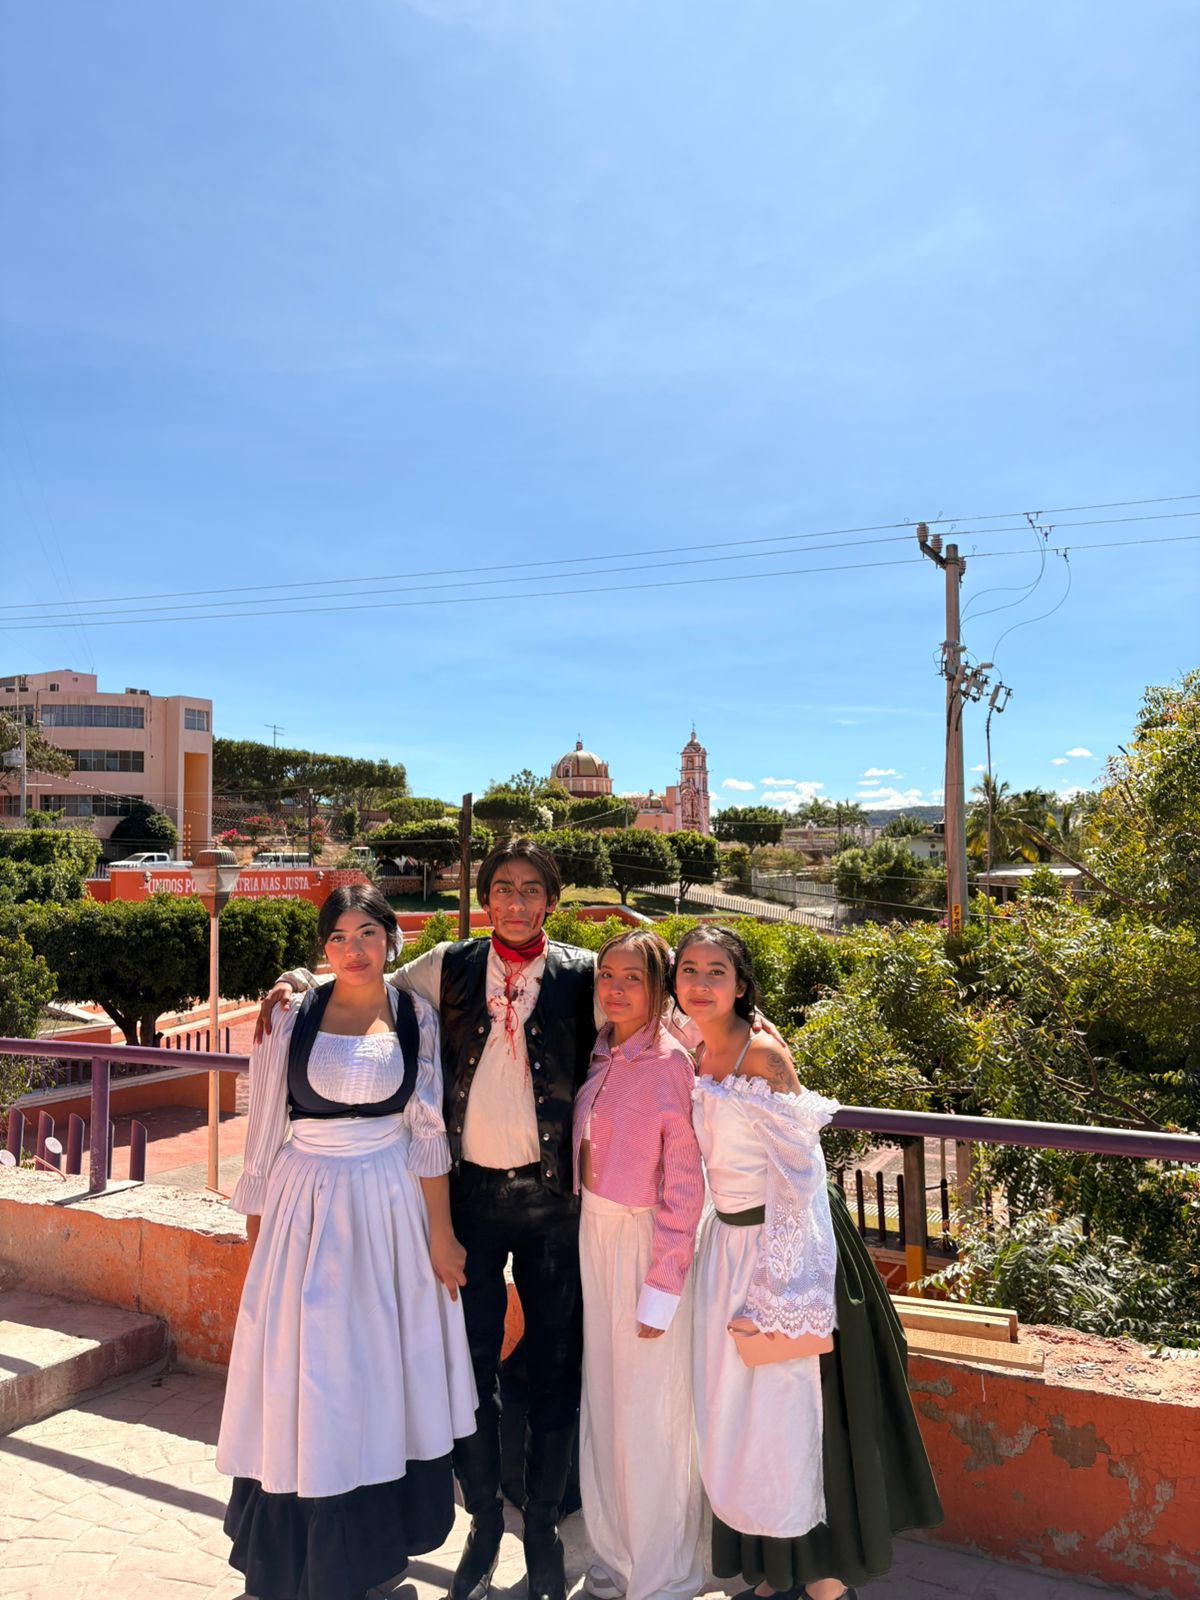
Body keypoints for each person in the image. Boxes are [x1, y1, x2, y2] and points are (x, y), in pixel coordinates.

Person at [257, 839, 595, 1600]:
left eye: (530, 889)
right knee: (466, 1371)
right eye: (502, 888)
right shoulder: (445, 965)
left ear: (551, 899)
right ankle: (484, 1524)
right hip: (466, 1205)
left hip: (552, 1207)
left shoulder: (583, 974)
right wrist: (297, 979)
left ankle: (542, 1529)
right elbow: (359, 976)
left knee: (555, 1368)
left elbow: (657, 1019)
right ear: (484, 897)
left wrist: (752, 1035)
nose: (515, 902)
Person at [217, 883, 477, 1600]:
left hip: (390, 1208)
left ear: (392, 939)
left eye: (368, 933)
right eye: (338, 936)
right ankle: (297, 1551)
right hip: (305, 1208)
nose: (354, 949)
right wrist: (260, 1247)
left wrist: (441, 1235)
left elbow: (428, 1132)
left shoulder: (414, 1016)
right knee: (313, 1372)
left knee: (379, 1369)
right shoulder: (289, 1015)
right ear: (322, 947)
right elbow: (263, 1136)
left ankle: (374, 1552)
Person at [671, 925, 943, 1600]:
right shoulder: (693, 1045)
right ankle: (776, 1573)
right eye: (688, 970)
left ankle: (824, 1583)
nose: (700, 983)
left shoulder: (762, 1054)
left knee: (797, 1418)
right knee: (743, 1421)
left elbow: (800, 1177)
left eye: (716, 971)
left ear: (741, 984)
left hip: (788, 1251)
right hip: (727, 1249)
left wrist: (782, 1288)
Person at [573, 929, 705, 1600]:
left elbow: (685, 1184)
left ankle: (663, 1568)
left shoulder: (670, 1063)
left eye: (633, 978)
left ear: (658, 988)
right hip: (593, 1234)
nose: (616, 989)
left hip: (643, 1242)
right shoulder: (602, 1049)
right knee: (605, 1401)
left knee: (650, 1408)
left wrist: (662, 1286)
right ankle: (617, 1552)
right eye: (608, 975)